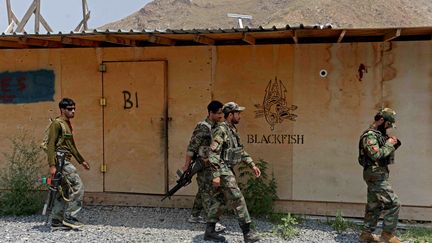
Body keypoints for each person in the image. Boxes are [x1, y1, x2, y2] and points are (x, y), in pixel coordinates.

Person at [204, 102, 262, 243]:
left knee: (219, 200)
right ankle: (248, 233)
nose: (239, 116)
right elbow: (213, 152)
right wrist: (216, 175)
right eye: (238, 113)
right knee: (237, 198)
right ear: (230, 115)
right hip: (222, 169)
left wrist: (252, 164)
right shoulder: (221, 130)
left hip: (227, 168)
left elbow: (240, 150)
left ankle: (210, 232)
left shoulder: (232, 130)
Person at [358, 108, 402, 243]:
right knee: (394, 203)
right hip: (375, 174)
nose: (388, 128)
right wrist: (389, 145)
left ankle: (366, 234)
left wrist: (391, 143)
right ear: (381, 120)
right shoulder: (370, 136)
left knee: (374, 204)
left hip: (377, 173)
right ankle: (387, 235)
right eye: (388, 124)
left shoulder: (378, 135)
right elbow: (375, 154)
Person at [46, 98, 90, 229]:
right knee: (78, 187)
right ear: (62, 110)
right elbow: (50, 145)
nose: (73, 111)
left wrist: (81, 161)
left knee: (63, 190)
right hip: (61, 161)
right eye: (70, 109)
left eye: (74, 108)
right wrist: (52, 165)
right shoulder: (57, 124)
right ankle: (70, 217)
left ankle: (56, 220)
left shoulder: (67, 124)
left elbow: (71, 146)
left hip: (65, 159)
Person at [182, 100, 225, 232]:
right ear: (210, 113)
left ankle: (194, 216)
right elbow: (192, 146)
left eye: (222, 113)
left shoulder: (217, 127)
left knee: (203, 190)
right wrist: (186, 165)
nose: (220, 115)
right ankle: (212, 222)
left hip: (211, 163)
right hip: (203, 164)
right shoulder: (203, 126)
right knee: (207, 191)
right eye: (218, 113)